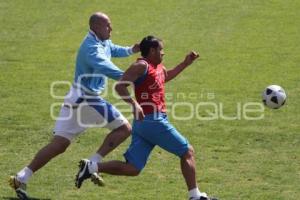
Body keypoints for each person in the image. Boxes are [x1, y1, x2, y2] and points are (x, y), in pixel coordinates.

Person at [9, 12, 140, 200]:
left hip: (75, 97)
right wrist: (135, 78)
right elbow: (107, 68)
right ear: (95, 27)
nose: (111, 29)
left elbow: (112, 48)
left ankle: (21, 177)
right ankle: (92, 164)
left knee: (59, 144)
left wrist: (131, 50)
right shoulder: (91, 49)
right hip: (88, 99)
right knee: (124, 129)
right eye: (107, 26)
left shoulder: (101, 40)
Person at [75, 36, 217, 200]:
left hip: (144, 124)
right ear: (152, 50)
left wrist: (185, 63)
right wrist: (134, 104)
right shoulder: (141, 66)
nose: (163, 53)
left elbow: (165, 76)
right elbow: (120, 86)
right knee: (187, 151)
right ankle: (195, 196)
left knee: (133, 168)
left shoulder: (157, 67)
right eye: (161, 49)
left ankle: (92, 167)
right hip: (153, 121)